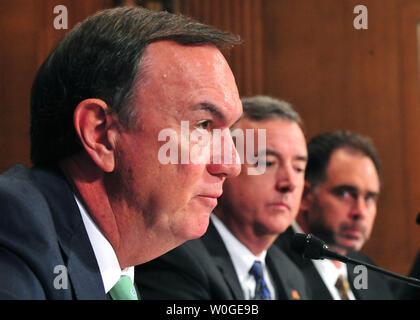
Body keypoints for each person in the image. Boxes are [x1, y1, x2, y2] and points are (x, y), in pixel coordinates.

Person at [0, 7, 243, 299]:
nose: (231, 164)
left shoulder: (118, 271)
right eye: (203, 125)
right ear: (100, 135)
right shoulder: (15, 236)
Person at [135, 95, 311, 300]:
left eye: (298, 168)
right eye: (268, 163)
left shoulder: (292, 274)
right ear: (226, 165)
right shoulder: (176, 257)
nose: (289, 183)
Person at [274, 130, 394, 299]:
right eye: (344, 194)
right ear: (306, 195)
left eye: (368, 198)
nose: (360, 212)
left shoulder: (366, 270)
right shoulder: (272, 262)